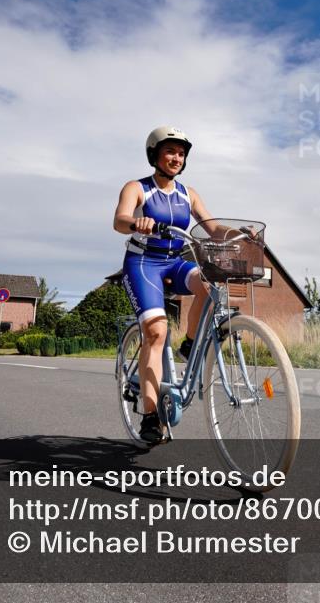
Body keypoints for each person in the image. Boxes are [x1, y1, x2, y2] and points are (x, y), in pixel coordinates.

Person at [112, 126, 217, 445]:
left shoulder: (190, 193)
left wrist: (240, 233)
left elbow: (212, 227)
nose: (176, 158)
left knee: (209, 283)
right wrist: (136, 222)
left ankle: (188, 343)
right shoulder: (137, 187)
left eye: (181, 153)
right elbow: (119, 220)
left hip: (174, 261)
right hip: (143, 263)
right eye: (170, 151)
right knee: (156, 332)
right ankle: (149, 415)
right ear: (155, 155)